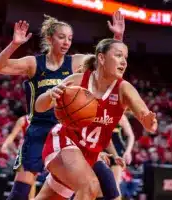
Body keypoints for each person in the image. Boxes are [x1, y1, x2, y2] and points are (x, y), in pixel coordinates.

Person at [0, 11, 125, 200]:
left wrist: (117, 37)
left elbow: (106, 65)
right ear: (49, 38)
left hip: (68, 132)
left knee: (106, 181)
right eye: (61, 37)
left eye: (69, 38)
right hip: (40, 130)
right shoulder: (33, 63)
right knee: (21, 191)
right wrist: (14, 44)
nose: (66, 42)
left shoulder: (76, 62)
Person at [34, 38, 158, 200]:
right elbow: (39, 106)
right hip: (64, 143)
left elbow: (144, 114)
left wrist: (149, 122)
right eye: (119, 56)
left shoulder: (123, 88)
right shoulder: (79, 81)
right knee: (90, 186)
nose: (124, 62)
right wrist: (51, 94)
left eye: (125, 58)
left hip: (88, 155)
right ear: (101, 58)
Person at [106, 114, 135, 198]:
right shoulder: (97, 111)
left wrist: (128, 151)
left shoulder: (120, 116)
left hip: (118, 151)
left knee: (114, 185)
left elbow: (131, 135)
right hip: (100, 150)